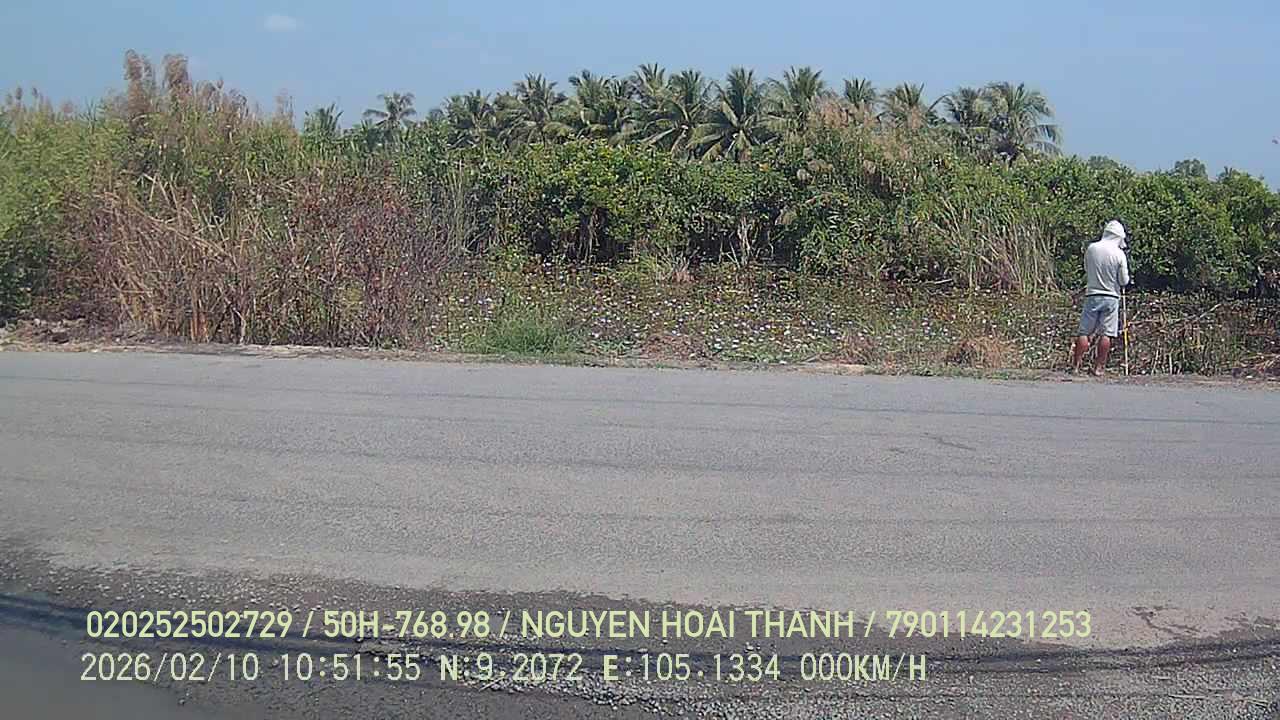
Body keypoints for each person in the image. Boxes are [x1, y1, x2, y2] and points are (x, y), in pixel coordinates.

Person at [1071, 220, 1130, 376]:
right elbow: (1124, 280)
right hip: (1111, 297)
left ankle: (1076, 366)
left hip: (1092, 294)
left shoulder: (1092, 248)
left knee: (1084, 332)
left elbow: (1086, 268)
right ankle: (1099, 368)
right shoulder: (1119, 254)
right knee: (1106, 333)